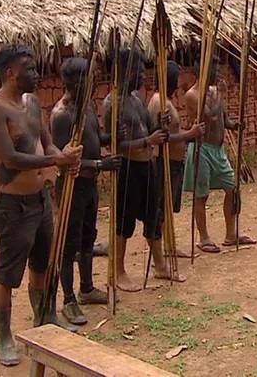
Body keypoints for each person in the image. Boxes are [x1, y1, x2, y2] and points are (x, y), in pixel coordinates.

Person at [0, 45, 83, 366]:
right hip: (13, 206)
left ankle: (45, 316)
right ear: (11, 73)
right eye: (30, 69)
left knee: (42, 263)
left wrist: (65, 159)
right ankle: (4, 337)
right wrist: (56, 159)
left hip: (40, 200)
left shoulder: (33, 102)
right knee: (8, 273)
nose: (37, 74)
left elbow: (46, 141)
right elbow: (10, 158)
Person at [49, 58, 121, 325]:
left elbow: (95, 138)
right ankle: (68, 299)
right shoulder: (62, 115)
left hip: (90, 185)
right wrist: (101, 163)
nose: (93, 83)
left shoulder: (87, 106)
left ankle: (87, 288)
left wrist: (113, 136)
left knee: (88, 240)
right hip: (72, 186)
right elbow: (62, 158)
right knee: (69, 246)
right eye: (88, 79)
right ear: (73, 82)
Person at [102, 48, 175, 291]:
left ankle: (160, 267)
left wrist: (160, 124)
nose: (143, 76)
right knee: (124, 221)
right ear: (123, 71)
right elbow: (117, 144)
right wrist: (148, 141)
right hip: (128, 169)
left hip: (148, 167)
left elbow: (150, 128)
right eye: (138, 71)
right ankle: (118, 271)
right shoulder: (112, 103)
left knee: (153, 216)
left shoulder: (136, 99)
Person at [183, 55, 255, 251]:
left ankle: (231, 234)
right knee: (201, 195)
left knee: (233, 188)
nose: (217, 74)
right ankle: (203, 237)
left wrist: (235, 125)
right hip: (202, 149)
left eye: (218, 70)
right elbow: (211, 117)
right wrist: (221, 94)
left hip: (218, 150)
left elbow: (223, 118)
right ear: (201, 72)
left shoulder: (214, 92)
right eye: (214, 70)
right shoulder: (193, 94)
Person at [146, 60, 205, 261]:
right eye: (176, 79)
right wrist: (191, 134)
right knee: (161, 208)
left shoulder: (166, 102)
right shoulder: (159, 102)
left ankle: (169, 246)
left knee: (168, 208)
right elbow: (164, 136)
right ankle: (160, 252)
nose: (178, 82)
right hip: (164, 162)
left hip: (174, 162)